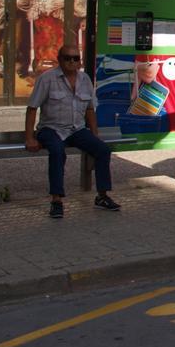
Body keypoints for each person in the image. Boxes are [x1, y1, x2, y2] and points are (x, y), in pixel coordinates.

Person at [25, 45, 118, 219]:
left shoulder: (85, 80)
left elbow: (90, 109)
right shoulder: (47, 79)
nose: (72, 62)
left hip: (76, 129)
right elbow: (32, 109)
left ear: (80, 61)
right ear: (59, 59)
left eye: (75, 58)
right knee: (57, 152)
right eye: (67, 58)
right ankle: (56, 200)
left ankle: (102, 196)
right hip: (50, 128)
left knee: (103, 150)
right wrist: (29, 138)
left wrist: (95, 134)